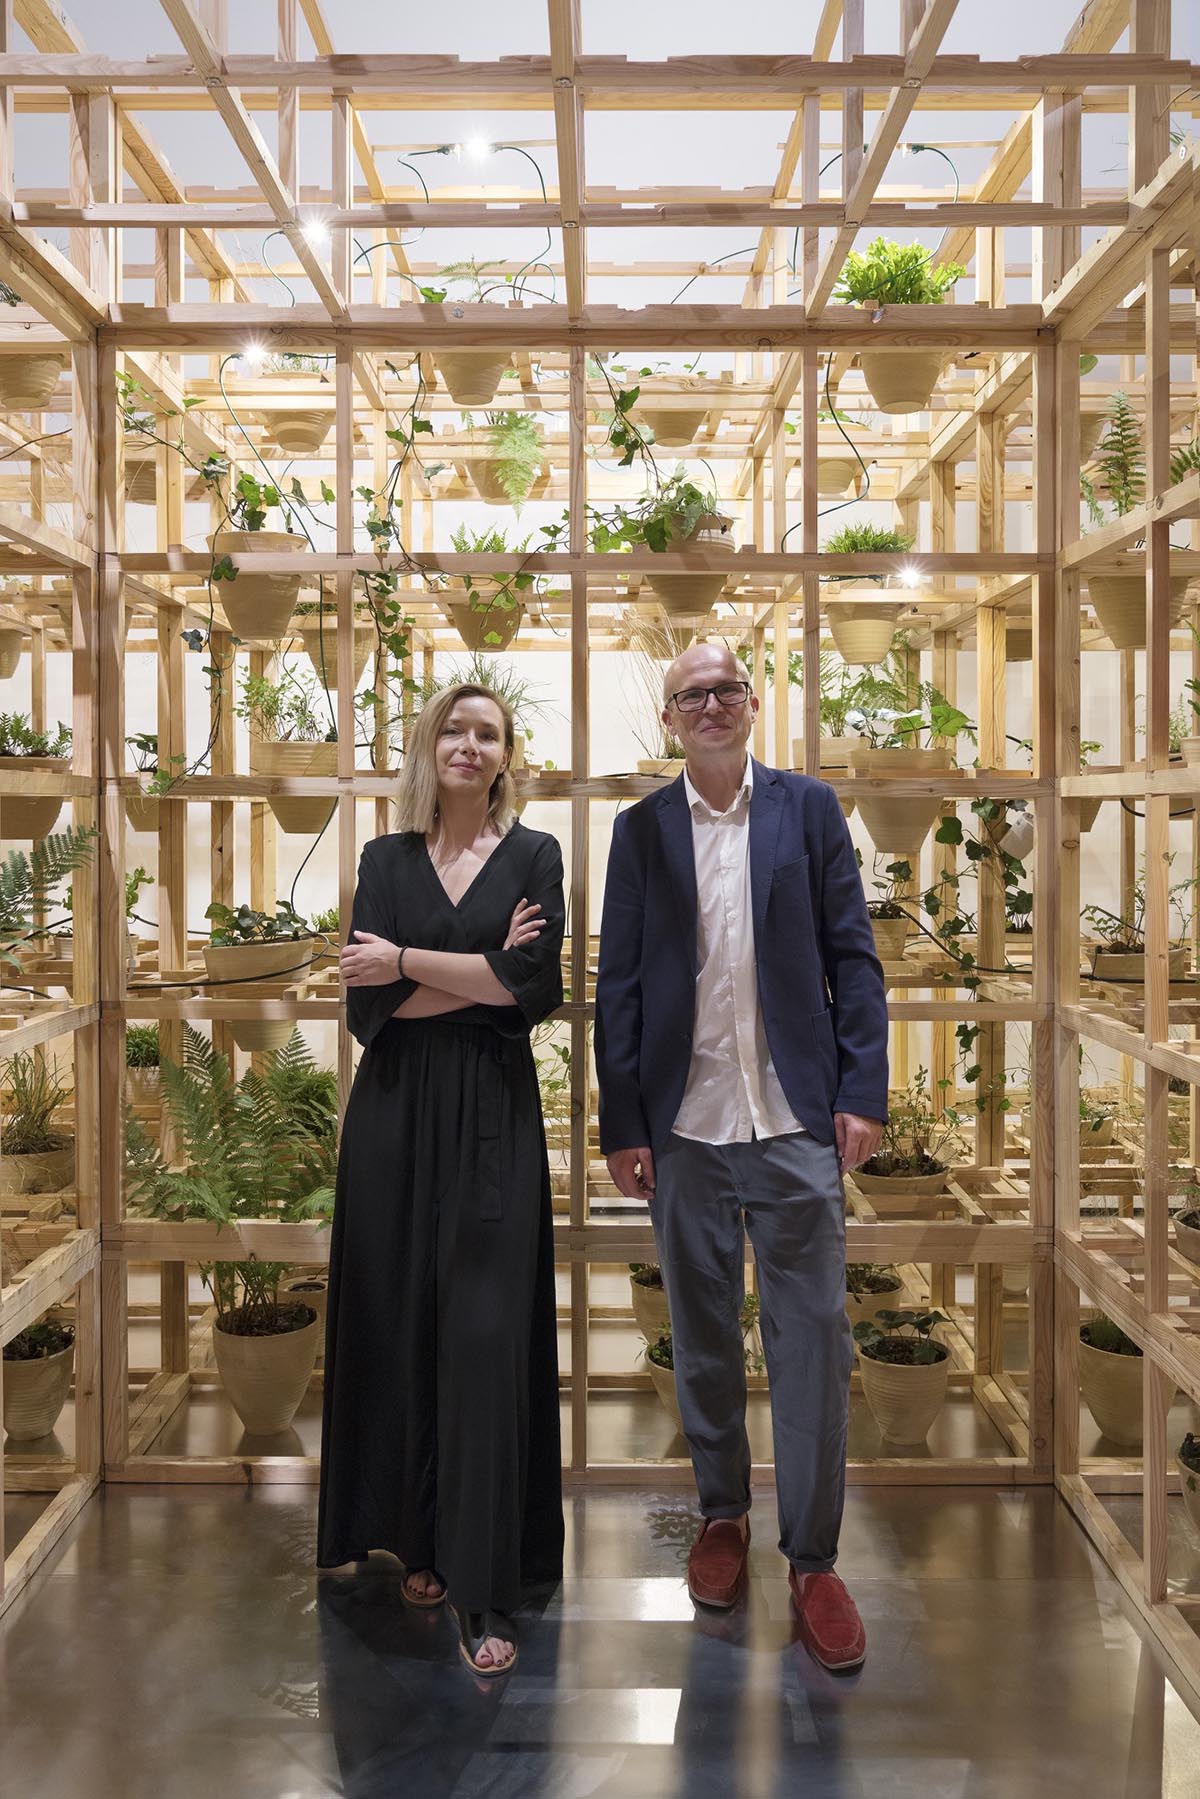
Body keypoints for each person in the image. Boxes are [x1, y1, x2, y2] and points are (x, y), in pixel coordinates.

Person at [594, 641, 888, 1672]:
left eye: (726, 689)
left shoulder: (808, 809)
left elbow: (854, 953)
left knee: (812, 1340)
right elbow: (617, 982)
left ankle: (813, 1557)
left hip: (796, 1121)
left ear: (753, 703)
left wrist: (861, 1092)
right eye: (692, 694)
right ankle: (722, 1513)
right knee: (702, 1333)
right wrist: (623, 1121)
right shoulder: (640, 831)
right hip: (684, 1125)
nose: (711, 704)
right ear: (671, 717)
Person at [317, 680, 566, 1680]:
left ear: (507, 752)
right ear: (430, 744)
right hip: (391, 1122)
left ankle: (485, 1581)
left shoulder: (537, 854)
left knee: (482, 1335)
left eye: (489, 731)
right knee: (403, 1318)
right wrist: (478, 967)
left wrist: (414, 961)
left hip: (493, 1120)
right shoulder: (383, 857)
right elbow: (365, 1009)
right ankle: (417, 1543)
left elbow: (532, 990)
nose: (470, 744)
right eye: (454, 729)